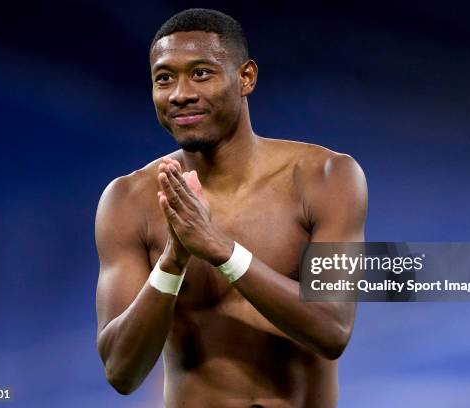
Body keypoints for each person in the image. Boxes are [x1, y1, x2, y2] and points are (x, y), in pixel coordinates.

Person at [95, 8, 367, 408]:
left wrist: (220, 249)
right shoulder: (128, 201)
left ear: (246, 77)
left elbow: (332, 329)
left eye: (201, 73)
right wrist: (172, 262)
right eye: (164, 78)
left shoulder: (326, 177)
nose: (180, 93)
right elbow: (121, 372)